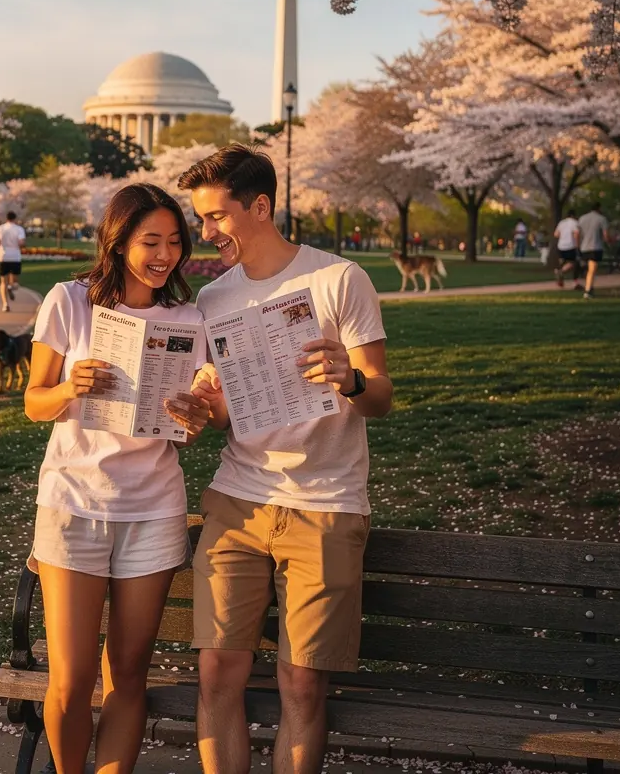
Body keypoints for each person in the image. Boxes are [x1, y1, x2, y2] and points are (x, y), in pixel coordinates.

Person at [179, 144, 393, 774]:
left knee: (301, 682)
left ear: (261, 207)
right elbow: (226, 412)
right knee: (217, 671)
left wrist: (349, 377)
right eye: (202, 219)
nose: (206, 231)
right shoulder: (214, 299)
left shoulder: (338, 279)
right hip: (238, 499)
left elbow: (380, 397)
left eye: (217, 217)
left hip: (325, 505)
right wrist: (202, 406)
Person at [23, 183, 211, 774]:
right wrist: (69, 387)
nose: (164, 255)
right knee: (72, 678)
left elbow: (197, 416)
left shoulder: (188, 316)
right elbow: (34, 402)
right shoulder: (70, 301)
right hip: (74, 502)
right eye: (150, 241)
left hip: (153, 508)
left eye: (175, 242)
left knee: (128, 673)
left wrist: (195, 416)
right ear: (118, 239)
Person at [0, 210, 26, 313]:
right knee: (15, 281)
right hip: (15, 256)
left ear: (6, 218)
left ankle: (5, 304)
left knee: (3, 281)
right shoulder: (19, 229)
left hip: (3, 256)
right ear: (15, 218)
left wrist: (1, 245)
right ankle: (10, 286)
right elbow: (21, 242)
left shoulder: (0, 228)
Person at [578, 201, 609, 300]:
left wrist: (578, 246)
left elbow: (578, 234)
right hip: (595, 247)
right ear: (599, 208)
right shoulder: (601, 219)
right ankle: (587, 291)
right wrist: (610, 241)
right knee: (592, 269)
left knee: (590, 269)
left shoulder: (582, 218)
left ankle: (590, 287)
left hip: (584, 247)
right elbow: (605, 236)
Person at [552, 210, 582, 290]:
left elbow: (556, 234)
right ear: (573, 215)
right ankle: (561, 272)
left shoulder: (562, 223)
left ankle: (561, 279)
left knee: (563, 262)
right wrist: (578, 246)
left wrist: (563, 236)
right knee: (574, 263)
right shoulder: (574, 223)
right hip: (570, 246)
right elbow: (576, 234)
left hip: (561, 246)